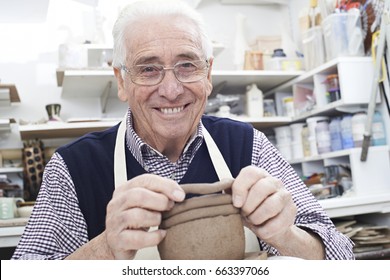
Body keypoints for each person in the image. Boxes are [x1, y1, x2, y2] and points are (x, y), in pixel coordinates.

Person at [12, 0, 354, 260]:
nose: (171, 89)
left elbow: (343, 256)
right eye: (149, 69)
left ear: (208, 74)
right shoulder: (73, 168)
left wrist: (288, 235)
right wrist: (105, 247)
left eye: (187, 65)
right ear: (121, 80)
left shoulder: (248, 146)